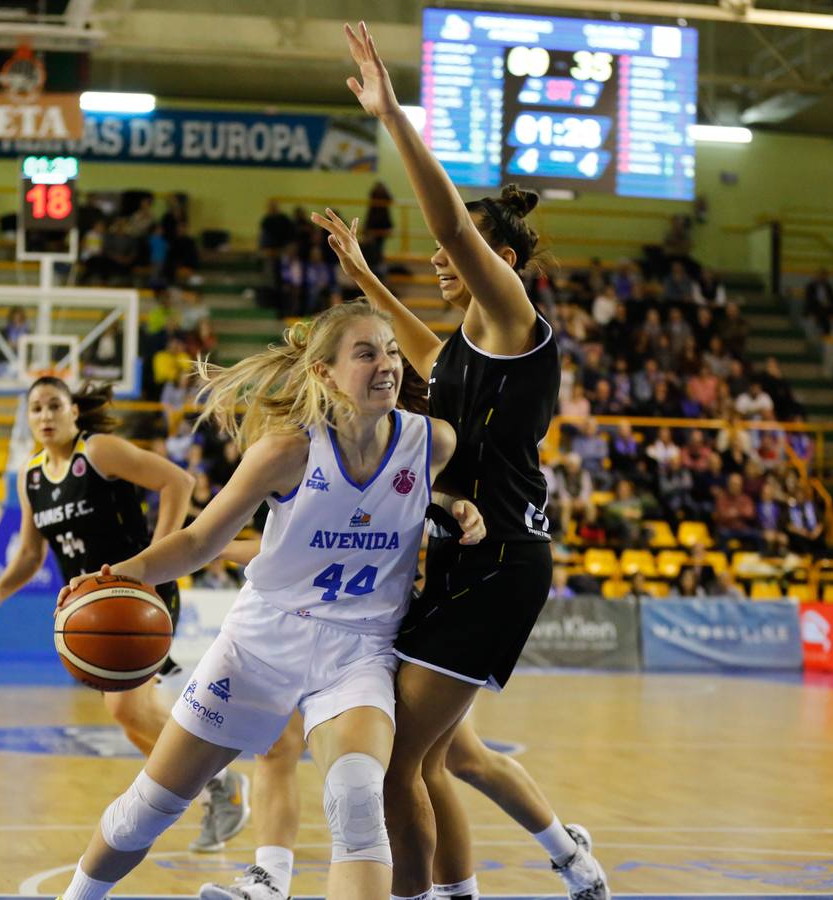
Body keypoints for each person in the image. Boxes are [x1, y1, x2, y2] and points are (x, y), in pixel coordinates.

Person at [305, 22, 609, 900]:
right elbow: (418, 348)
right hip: (460, 556)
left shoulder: (517, 323)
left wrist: (394, 118)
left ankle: (434, 893)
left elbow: (444, 218)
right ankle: (513, 874)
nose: (443, 256)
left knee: (400, 759)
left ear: (499, 262)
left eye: (462, 251)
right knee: (443, 757)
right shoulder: (465, 355)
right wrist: (363, 274)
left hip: (503, 558)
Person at [51, 301, 483, 900]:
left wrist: (458, 505)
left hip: (360, 651)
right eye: (366, 353)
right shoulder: (287, 451)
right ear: (325, 374)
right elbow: (201, 539)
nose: (387, 364)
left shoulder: (431, 442)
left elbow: (445, 492)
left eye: (390, 349)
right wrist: (118, 574)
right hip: (261, 642)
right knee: (150, 805)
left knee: (359, 803)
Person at [0, 377, 250, 850]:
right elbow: (31, 555)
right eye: (36, 408)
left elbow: (177, 481)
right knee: (131, 718)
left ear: (73, 412)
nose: (44, 416)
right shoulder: (31, 476)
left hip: (138, 596)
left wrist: (159, 557)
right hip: (93, 611)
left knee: (126, 707)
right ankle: (215, 787)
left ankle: (222, 783)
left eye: (54, 406)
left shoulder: (96, 452)